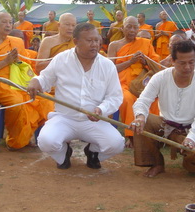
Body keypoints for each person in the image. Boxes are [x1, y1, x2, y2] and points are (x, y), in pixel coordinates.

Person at [27, 22, 125, 170]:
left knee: (116, 144)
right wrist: (35, 81)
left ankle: (93, 153)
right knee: (46, 141)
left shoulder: (107, 65)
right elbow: (45, 79)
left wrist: (101, 109)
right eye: (89, 40)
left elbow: (115, 97)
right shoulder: (61, 59)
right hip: (65, 118)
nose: (95, 44)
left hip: (93, 120)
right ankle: (63, 153)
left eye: (96, 40)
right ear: (76, 41)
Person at [130, 40, 195, 177]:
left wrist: (191, 138)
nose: (187, 67)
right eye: (182, 63)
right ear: (173, 61)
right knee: (143, 122)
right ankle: (157, 163)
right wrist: (140, 117)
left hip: (190, 128)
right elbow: (143, 101)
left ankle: (192, 164)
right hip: (165, 125)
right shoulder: (160, 77)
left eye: (191, 62)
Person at [0, 13, 53, 151]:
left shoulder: (16, 42)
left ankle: (28, 136)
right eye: (4, 22)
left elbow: (24, 66)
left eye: (10, 22)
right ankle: (15, 142)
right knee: (17, 103)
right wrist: (5, 62)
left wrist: (32, 81)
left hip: (17, 82)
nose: (8, 25)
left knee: (46, 101)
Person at [107, 16, 160, 146]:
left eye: (135, 27)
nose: (132, 30)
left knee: (155, 99)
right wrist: (130, 62)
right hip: (122, 83)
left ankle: (154, 134)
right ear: (122, 28)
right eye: (129, 27)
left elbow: (156, 66)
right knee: (127, 99)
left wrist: (145, 62)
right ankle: (132, 136)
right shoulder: (114, 45)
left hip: (142, 82)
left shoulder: (145, 43)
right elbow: (109, 69)